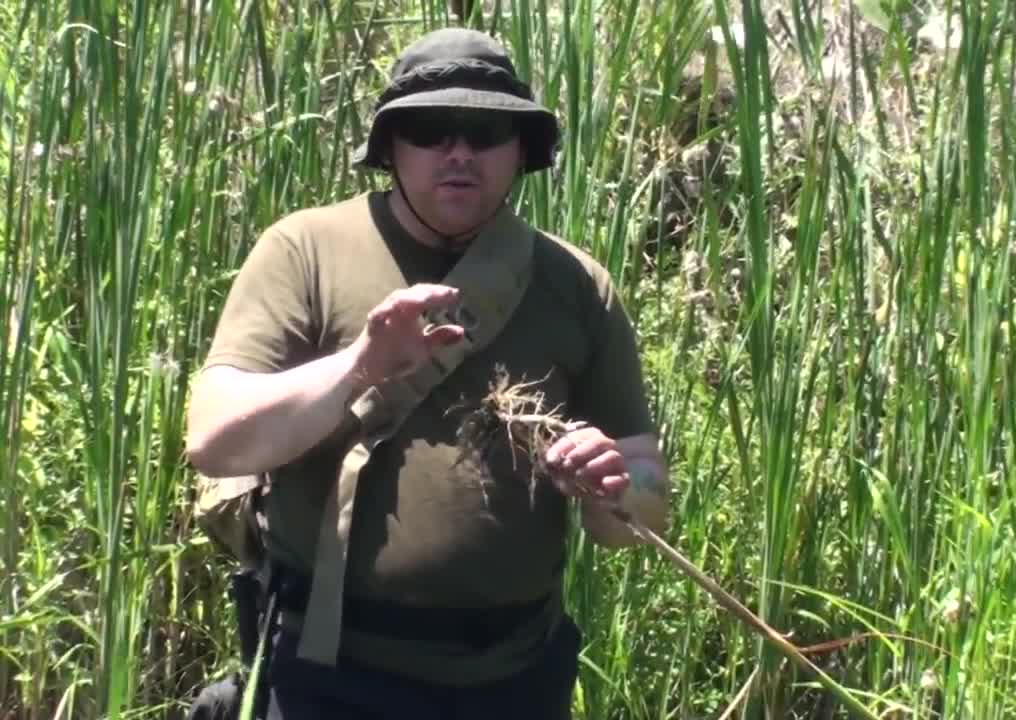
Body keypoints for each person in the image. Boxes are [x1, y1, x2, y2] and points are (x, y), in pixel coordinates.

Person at [184, 27, 669, 719]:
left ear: (523, 151)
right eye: (432, 129)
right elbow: (215, 440)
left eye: (487, 130)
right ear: (389, 148)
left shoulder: (576, 285)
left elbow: (643, 507)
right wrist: (360, 366)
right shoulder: (304, 251)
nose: (460, 152)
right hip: (325, 676)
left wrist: (614, 485)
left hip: (514, 680)